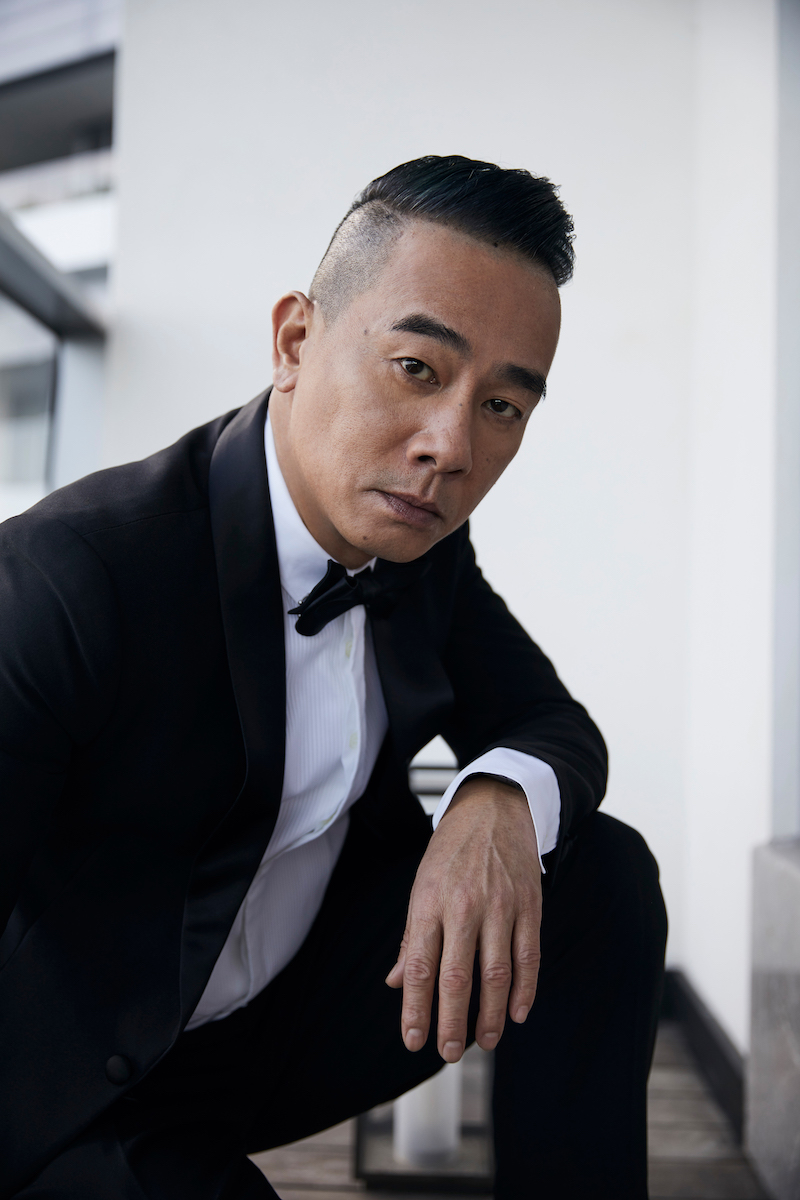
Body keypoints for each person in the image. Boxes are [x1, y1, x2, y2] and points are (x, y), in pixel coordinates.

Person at [0, 155, 667, 1200]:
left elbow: (550, 722)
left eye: (502, 405)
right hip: (84, 1083)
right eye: (417, 368)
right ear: (295, 342)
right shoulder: (69, 576)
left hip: (290, 1023)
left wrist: (492, 798)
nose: (450, 446)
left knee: (599, 876)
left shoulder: (419, 549)